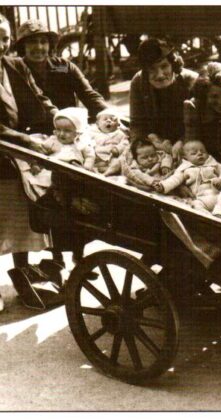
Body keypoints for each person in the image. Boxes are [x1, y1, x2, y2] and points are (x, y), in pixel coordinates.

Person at [0, 13, 57, 310]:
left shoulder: (16, 65)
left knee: (19, 216)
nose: (1, 44)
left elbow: (39, 99)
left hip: (12, 152)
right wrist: (26, 141)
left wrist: (60, 119)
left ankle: (21, 270)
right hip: (4, 147)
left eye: (5, 38)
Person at [14, 19, 107, 120]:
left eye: (43, 42)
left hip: (69, 126)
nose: (39, 47)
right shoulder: (16, 70)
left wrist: (106, 113)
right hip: (33, 130)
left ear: (50, 45)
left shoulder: (63, 67)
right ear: (22, 46)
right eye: (32, 42)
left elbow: (88, 94)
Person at [130, 38, 197, 160]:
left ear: (174, 64)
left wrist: (184, 141)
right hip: (154, 143)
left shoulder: (191, 81)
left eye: (164, 66)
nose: (160, 74)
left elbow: (202, 124)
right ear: (144, 71)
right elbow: (136, 123)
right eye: (152, 69)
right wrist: (146, 141)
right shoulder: (138, 82)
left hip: (189, 141)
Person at [154, 140, 221, 212]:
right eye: (194, 153)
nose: (200, 154)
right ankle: (210, 216)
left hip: (217, 194)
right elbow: (175, 179)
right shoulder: (185, 169)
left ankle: (213, 214)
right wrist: (163, 186)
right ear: (186, 157)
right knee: (194, 205)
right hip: (198, 197)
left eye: (203, 152)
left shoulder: (213, 164)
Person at [89, 109, 129, 176]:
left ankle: (108, 172)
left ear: (118, 124)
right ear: (97, 124)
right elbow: (86, 141)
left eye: (112, 119)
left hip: (113, 155)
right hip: (97, 155)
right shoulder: (92, 133)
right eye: (105, 119)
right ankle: (94, 170)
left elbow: (125, 143)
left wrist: (118, 149)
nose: (109, 121)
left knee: (118, 161)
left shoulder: (120, 134)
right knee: (91, 159)